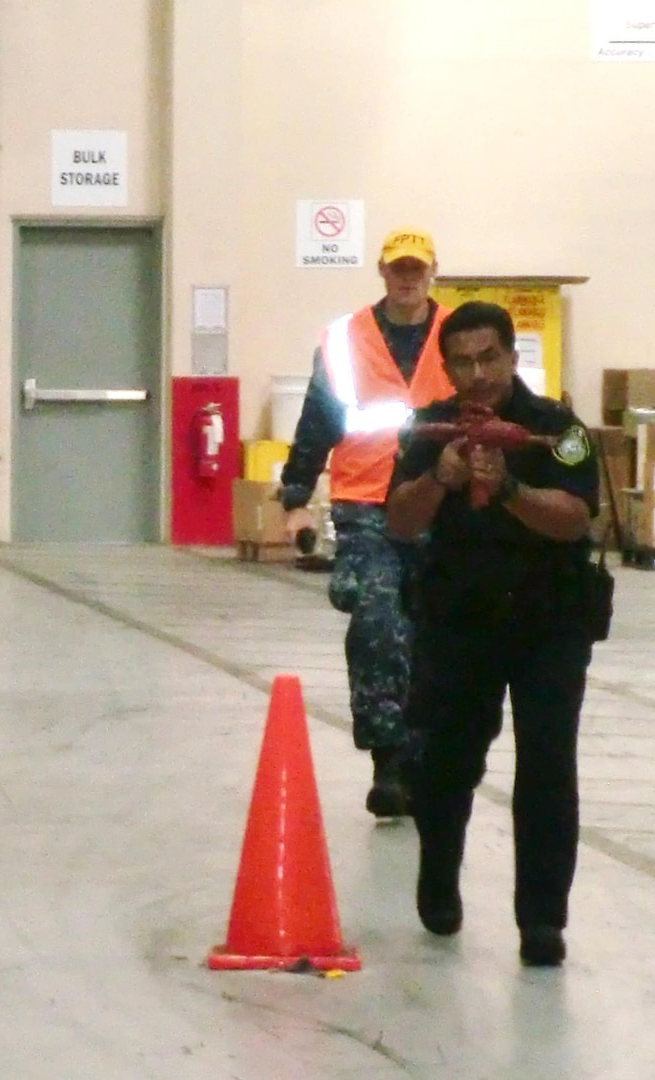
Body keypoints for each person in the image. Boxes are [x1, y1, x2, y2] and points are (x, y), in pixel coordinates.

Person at [385, 300, 601, 967]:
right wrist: (437, 479)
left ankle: (542, 923)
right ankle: (439, 881)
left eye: (488, 358)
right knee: (445, 765)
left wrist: (507, 490)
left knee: (546, 771)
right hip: (460, 620)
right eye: (462, 362)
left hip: (548, 623)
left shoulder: (559, 430)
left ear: (511, 356)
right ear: (446, 366)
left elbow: (574, 518)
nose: (476, 374)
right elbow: (398, 520)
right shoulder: (427, 430)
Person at [277, 228, 454, 817]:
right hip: (367, 506)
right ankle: (391, 762)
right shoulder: (345, 339)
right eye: (397, 268)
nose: (407, 278)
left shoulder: (462, 335)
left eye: (417, 268)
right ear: (382, 271)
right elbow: (316, 419)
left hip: (442, 506)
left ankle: (428, 753)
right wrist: (296, 496)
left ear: (433, 273)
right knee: (379, 624)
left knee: (436, 634)